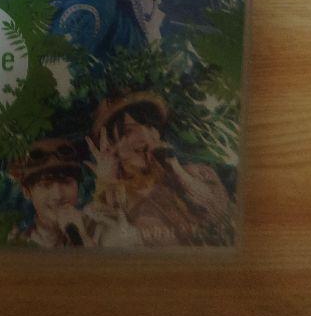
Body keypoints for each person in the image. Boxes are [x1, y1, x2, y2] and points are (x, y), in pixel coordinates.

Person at [87, 93, 232, 247]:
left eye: (151, 126)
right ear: (109, 145)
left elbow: (216, 212)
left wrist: (176, 169)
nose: (146, 136)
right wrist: (107, 182)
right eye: (128, 131)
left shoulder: (192, 174)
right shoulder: (106, 202)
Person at [8, 138, 104, 248]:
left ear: (77, 186)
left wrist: (80, 236)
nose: (58, 195)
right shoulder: (18, 242)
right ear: (27, 192)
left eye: (66, 182)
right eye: (46, 185)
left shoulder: (100, 229)